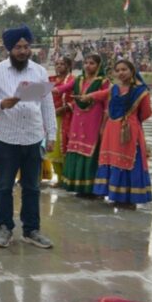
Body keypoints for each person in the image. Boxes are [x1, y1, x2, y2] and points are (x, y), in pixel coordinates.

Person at [0, 26, 56, 249]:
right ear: (9, 49)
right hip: (7, 138)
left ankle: (31, 230)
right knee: (4, 186)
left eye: (26, 47)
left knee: (32, 186)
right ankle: (5, 228)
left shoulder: (39, 72)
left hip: (33, 136)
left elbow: (47, 104)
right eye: (18, 48)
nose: (23, 51)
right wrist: (2, 104)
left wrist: (51, 134)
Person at [77, 60, 152, 209]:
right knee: (112, 161)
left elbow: (146, 112)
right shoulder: (115, 89)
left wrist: (131, 122)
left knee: (130, 161)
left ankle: (128, 199)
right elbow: (101, 94)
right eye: (117, 70)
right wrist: (87, 96)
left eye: (124, 69)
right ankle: (116, 196)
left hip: (129, 132)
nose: (120, 73)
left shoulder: (141, 90)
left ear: (132, 70)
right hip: (111, 130)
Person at [55, 54, 109, 197]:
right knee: (76, 149)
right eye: (85, 62)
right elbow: (61, 88)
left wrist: (104, 126)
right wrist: (33, 91)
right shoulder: (79, 80)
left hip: (94, 121)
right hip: (78, 122)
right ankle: (77, 186)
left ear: (98, 66)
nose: (87, 65)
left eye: (91, 63)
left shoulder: (103, 82)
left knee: (91, 151)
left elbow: (107, 106)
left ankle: (92, 189)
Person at [47, 56, 75, 188]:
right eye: (57, 63)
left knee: (64, 148)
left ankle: (67, 178)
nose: (59, 66)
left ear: (68, 66)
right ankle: (59, 178)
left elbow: (77, 99)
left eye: (62, 64)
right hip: (51, 117)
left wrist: (66, 107)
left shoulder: (73, 80)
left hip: (67, 118)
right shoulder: (50, 80)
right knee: (53, 150)